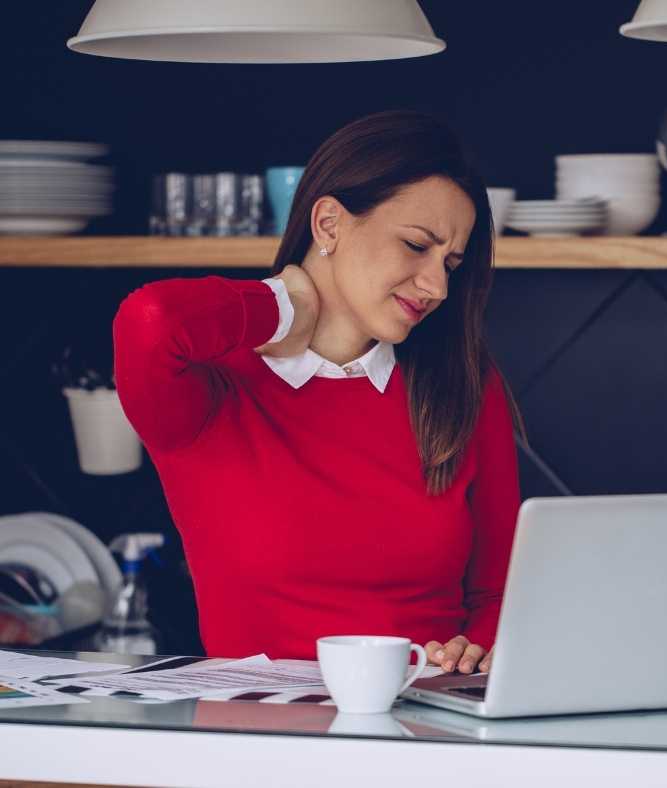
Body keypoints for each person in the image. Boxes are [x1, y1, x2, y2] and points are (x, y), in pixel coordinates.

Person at [113, 110, 527, 676]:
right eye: (415, 245)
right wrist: (282, 304)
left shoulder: (464, 384)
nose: (437, 286)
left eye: (450, 263)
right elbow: (150, 319)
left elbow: (501, 592)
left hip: (433, 732)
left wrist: (476, 647)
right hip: (259, 748)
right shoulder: (210, 389)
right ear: (329, 224)